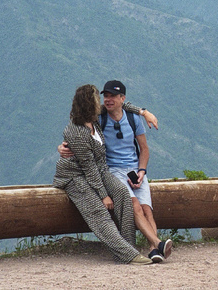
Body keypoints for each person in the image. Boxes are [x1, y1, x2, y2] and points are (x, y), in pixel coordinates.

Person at [58, 82, 167, 261]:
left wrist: (143, 112)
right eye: (103, 97)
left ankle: (153, 248)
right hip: (104, 171)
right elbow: (82, 149)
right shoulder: (96, 119)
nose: (106, 101)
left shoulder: (126, 118)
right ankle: (148, 246)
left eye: (111, 96)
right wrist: (61, 148)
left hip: (127, 170)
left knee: (146, 209)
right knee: (131, 206)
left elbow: (143, 147)